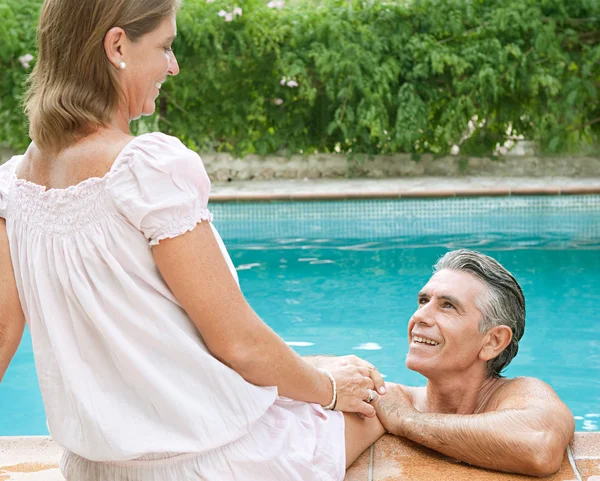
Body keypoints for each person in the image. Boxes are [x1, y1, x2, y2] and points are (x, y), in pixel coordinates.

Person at [0, 0, 386, 479]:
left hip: (92, 469)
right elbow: (238, 344)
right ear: (117, 45)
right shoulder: (145, 168)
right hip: (215, 464)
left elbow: (0, 337)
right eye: (165, 46)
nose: (173, 66)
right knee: (379, 400)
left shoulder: (12, 186)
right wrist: (329, 388)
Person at [372, 250, 575, 477]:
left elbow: (540, 446)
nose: (419, 316)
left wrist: (406, 420)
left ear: (493, 341)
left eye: (448, 305)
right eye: (423, 301)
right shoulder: (389, 397)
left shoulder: (522, 394)